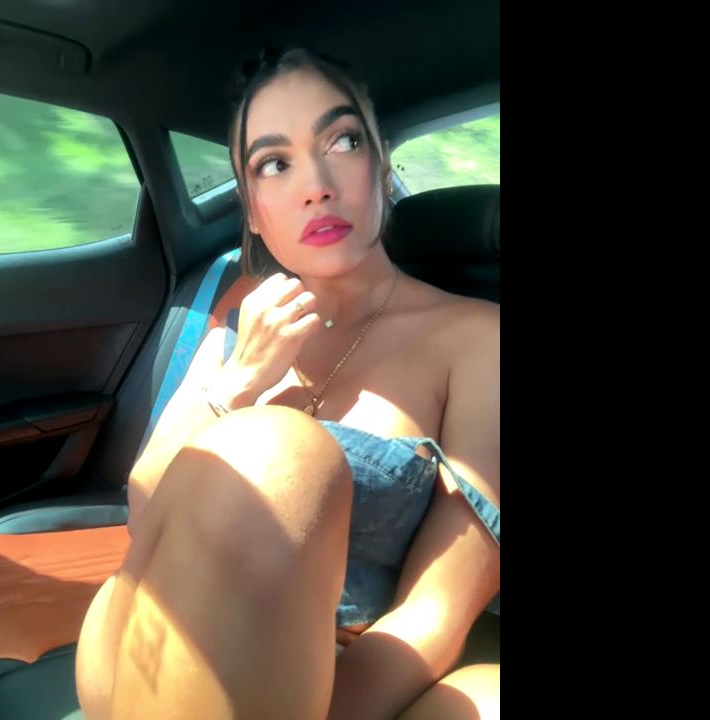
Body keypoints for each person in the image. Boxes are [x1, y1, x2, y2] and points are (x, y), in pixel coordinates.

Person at [76, 47, 500, 720]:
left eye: (343, 141)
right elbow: (148, 520)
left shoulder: (479, 339)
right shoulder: (240, 322)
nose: (316, 185)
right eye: (274, 163)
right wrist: (242, 380)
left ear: (381, 165)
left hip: (338, 675)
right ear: (252, 211)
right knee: (275, 449)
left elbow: (437, 609)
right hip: (157, 632)